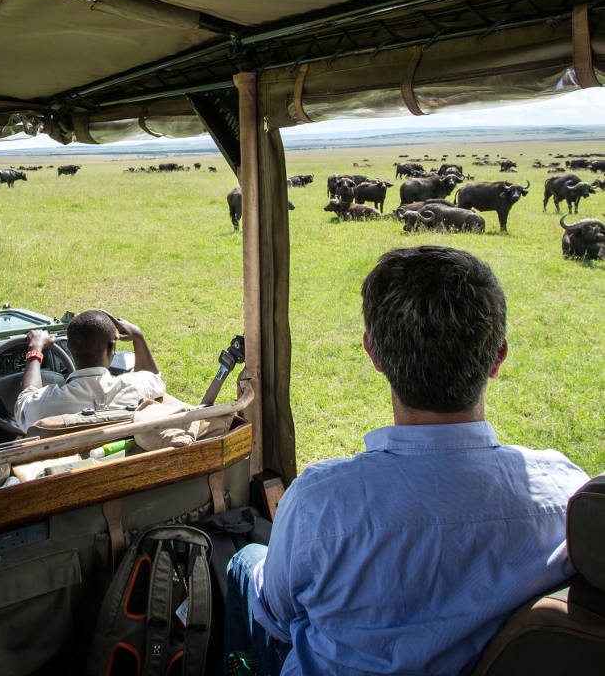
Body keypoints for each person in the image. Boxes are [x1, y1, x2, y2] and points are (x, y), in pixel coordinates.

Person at [226, 246, 588, 676]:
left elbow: (277, 616)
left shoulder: (319, 501)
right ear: (498, 357)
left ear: (373, 354)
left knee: (245, 563)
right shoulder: (567, 496)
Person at [14, 309, 164, 433]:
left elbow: (24, 402)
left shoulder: (45, 405)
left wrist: (35, 350)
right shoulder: (136, 388)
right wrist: (138, 337)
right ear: (112, 348)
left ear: (69, 349)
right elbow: (151, 378)